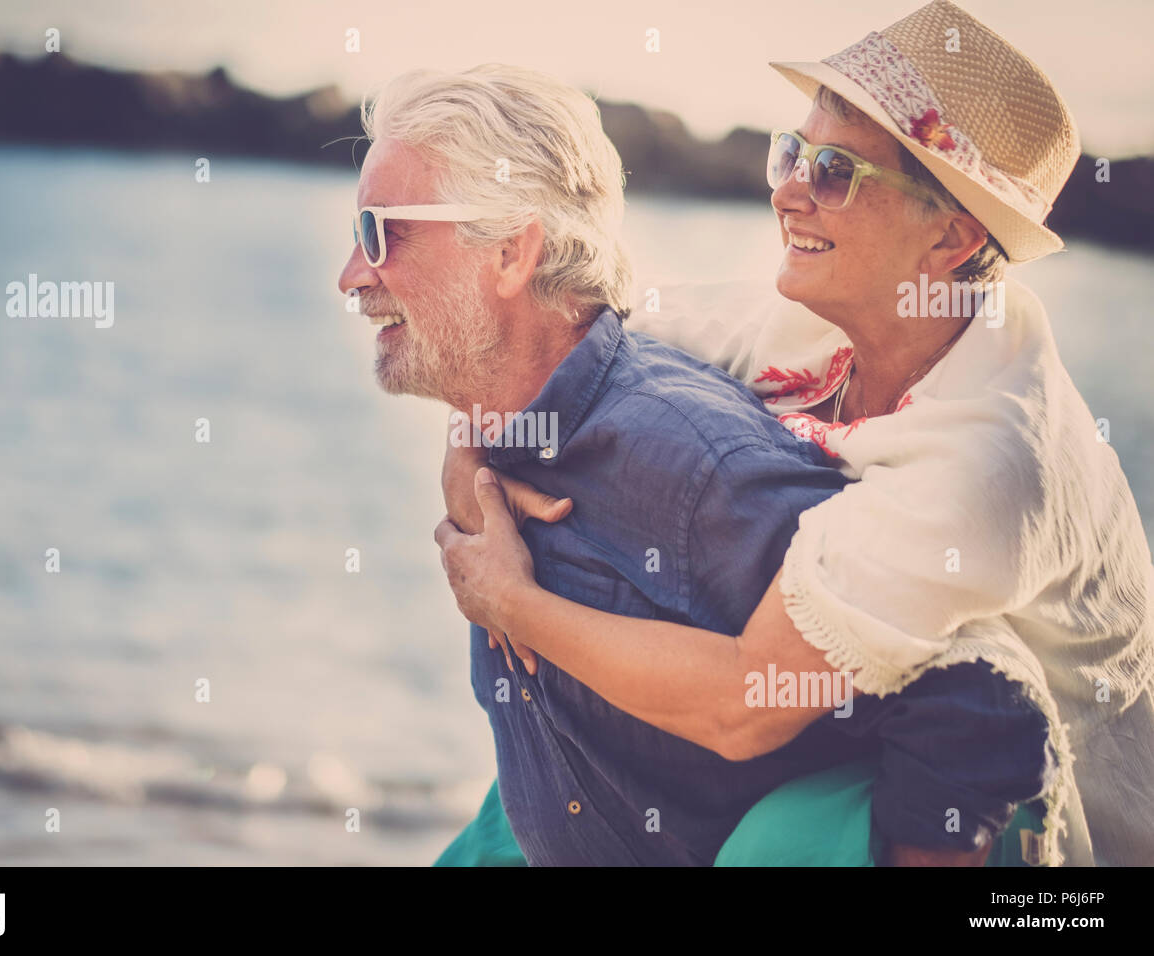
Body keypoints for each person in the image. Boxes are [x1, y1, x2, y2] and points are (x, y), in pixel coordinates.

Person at [435, 0, 1154, 865]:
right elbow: (559, 340)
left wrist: (508, 601)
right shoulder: (827, 314)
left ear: (954, 236)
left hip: (1026, 842)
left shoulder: (985, 464)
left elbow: (745, 703)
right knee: (517, 811)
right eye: (794, 151)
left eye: (837, 171)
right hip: (856, 727)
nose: (786, 190)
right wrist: (472, 453)